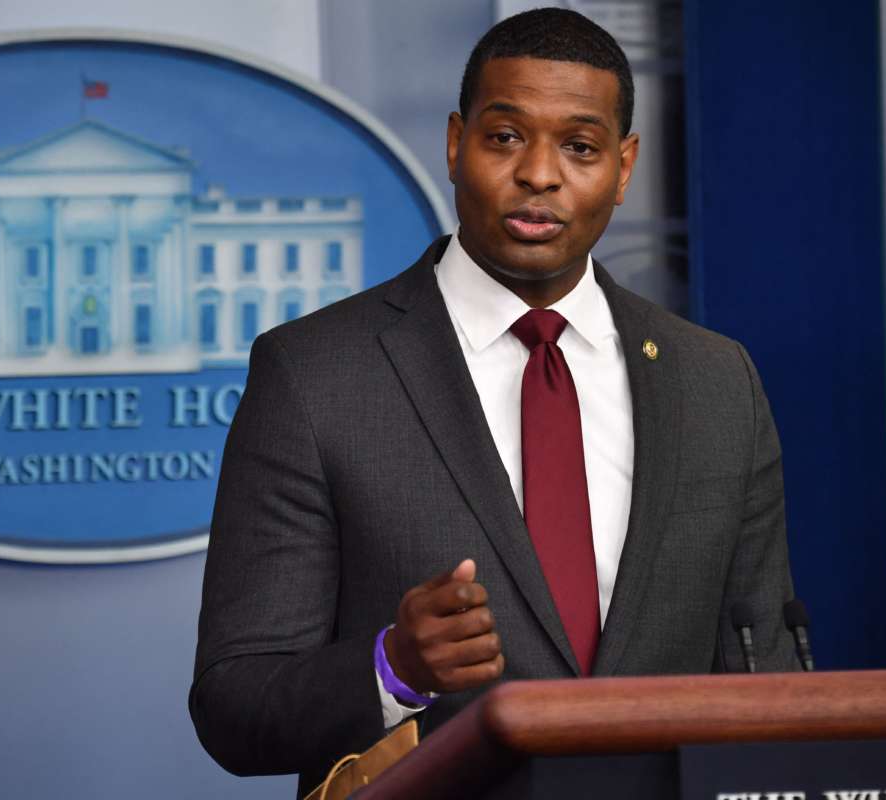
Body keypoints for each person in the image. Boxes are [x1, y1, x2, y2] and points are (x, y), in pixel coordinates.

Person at [190, 8, 797, 795]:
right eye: (505, 136)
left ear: (623, 168)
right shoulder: (313, 374)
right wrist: (393, 668)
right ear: (454, 144)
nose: (539, 173)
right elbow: (234, 705)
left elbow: (770, 684)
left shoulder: (716, 380)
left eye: (579, 147)